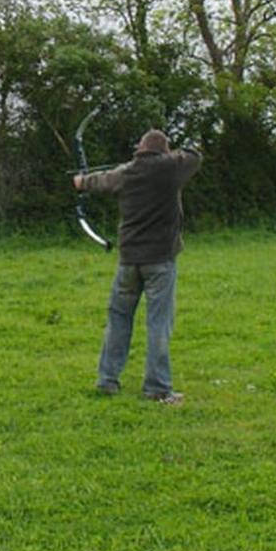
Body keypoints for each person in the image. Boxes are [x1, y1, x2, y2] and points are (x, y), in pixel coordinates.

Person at [73, 129, 201, 404]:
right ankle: (157, 387)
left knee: (118, 320)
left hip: (129, 260)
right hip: (160, 260)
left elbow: (100, 181)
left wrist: (82, 181)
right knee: (158, 323)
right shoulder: (171, 168)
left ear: (139, 149)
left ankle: (107, 380)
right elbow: (194, 155)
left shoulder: (127, 172)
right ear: (163, 151)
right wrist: (169, 154)